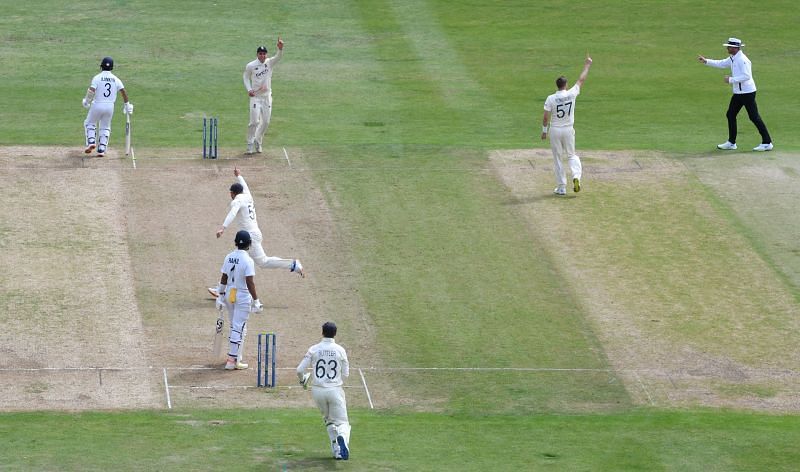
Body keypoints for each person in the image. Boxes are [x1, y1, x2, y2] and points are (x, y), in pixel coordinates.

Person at [208, 166, 304, 298]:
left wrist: (223, 228)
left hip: (249, 238)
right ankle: (221, 289)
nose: (230, 195)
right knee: (239, 260)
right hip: (254, 233)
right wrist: (239, 175)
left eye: (230, 193)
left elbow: (232, 214)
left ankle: (293, 264)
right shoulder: (247, 195)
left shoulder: (237, 201)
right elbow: (245, 186)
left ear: (233, 193)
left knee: (257, 262)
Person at [698, 38, 773, 152]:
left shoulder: (743, 60)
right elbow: (722, 63)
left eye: (729, 47)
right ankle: (731, 142)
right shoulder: (733, 58)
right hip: (738, 93)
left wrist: (731, 80)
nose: (727, 48)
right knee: (730, 114)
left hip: (747, 93)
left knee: (754, 117)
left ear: (736, 48)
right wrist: (706, 61)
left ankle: (767, 142)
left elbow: (746, 76)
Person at [297, 321, 351, 460]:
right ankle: (343, 439)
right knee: (342, 423)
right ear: (335, 334)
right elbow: (346, 374)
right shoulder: (340, 350)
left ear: (322, 332)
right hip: (334, 390)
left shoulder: (314, 349)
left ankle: (337, 451)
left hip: (317, 391)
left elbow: (299, 370)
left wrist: (302, 379)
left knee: (328, 420)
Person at [541, 54, 593, 196]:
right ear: (566, 85)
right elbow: (581, 79)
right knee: (571, 155)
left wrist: (544, 131)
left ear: (557, 86)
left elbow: (546, 117)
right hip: (568, 130)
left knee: (558, 158)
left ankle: (562, 187)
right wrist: (587, 65)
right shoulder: (572, 93)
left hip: (555, 130)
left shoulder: (551, 98)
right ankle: (576, 176)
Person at [214, 230, 264, 370]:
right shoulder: (248, 260)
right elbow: (249, 282)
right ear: (249, 244)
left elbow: (224, 277)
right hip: (242, 295)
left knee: (236, 326)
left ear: (236, 242)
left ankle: (237, 356)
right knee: (238, 327)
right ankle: (232, 360)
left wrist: (220, 294)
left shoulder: (229, 257)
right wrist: (256, 300)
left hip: (230, 293)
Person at [81, 56, 133, 157]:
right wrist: (127, 104)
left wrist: (86, 101)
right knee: (105, 127)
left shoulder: (97, 77)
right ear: (112, 67)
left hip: (97, 105)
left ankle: (91, 141)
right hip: (110, 107)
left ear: (101, 67)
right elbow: (123, 91)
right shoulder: (116, 79)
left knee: (90, 123)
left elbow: (91, 90)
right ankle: (101, 149)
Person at [243, 38, 284, 154]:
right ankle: (250, 143)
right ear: (257, 54)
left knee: (265, 122)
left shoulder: (269, 63)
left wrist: (280, 49)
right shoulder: (251, 65)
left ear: (266, 54)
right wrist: (249, 89)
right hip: (255, 97)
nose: (262, 56)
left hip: (266, 97)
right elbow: (245, 77)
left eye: (264, 54)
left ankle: (258, 140)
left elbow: (278, 57)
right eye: (260, 54)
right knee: (254, 121)